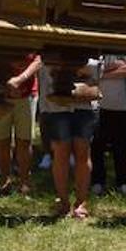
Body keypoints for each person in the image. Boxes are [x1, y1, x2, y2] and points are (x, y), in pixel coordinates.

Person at [38, 58, 101, 219]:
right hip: (57, 105)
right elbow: (46, 65)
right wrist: (76, 69)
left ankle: (81, 203)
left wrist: (64, 68)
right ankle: (64, 202)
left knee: (83, 152)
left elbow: (96, 66)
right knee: (60, 152)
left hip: (85, 104)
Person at [0, 52, 41, 196]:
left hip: (27, 95)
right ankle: (5, 182)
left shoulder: (32, 35)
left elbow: (38, 60)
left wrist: (19, 79)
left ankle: (25, 182)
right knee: (2, 141)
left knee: (24, 141)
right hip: (0, 95)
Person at [93, 53, 126, 196]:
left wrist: (104, 73)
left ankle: (122, 182)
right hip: (100, 106)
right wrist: (115, 69)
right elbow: (91, 72)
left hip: (125, 107)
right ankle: (98, 182)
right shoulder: (99, 52)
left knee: (122, 147)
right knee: (97, 146)